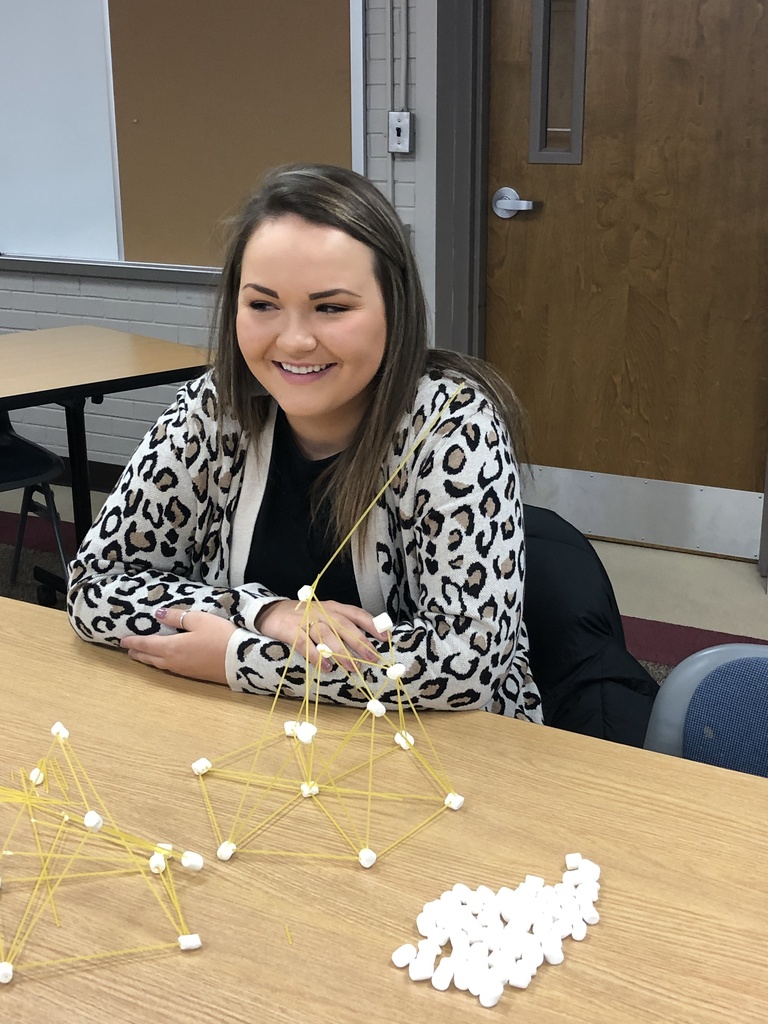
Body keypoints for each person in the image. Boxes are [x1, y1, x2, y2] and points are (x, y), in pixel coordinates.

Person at [67, 163, 542, 721]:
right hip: (251, 732)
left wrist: (239, 658)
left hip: (442, 750)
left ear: (396, 308)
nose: (293, 340)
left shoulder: (451, 426)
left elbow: (466, 666)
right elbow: (96, 586)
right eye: (262, 305)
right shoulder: (214, 407)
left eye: (332, 307)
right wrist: (267, 613)